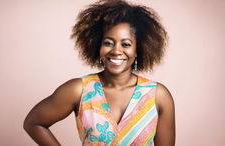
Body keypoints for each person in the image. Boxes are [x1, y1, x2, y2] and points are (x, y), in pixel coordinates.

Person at [23, 0, 175, 145]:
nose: (116, 50)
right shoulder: (80, 90)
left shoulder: (158, 95)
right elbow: (34, 123)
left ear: (138, 50)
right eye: (108, 43)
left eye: (126, 44)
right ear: (98, 46)